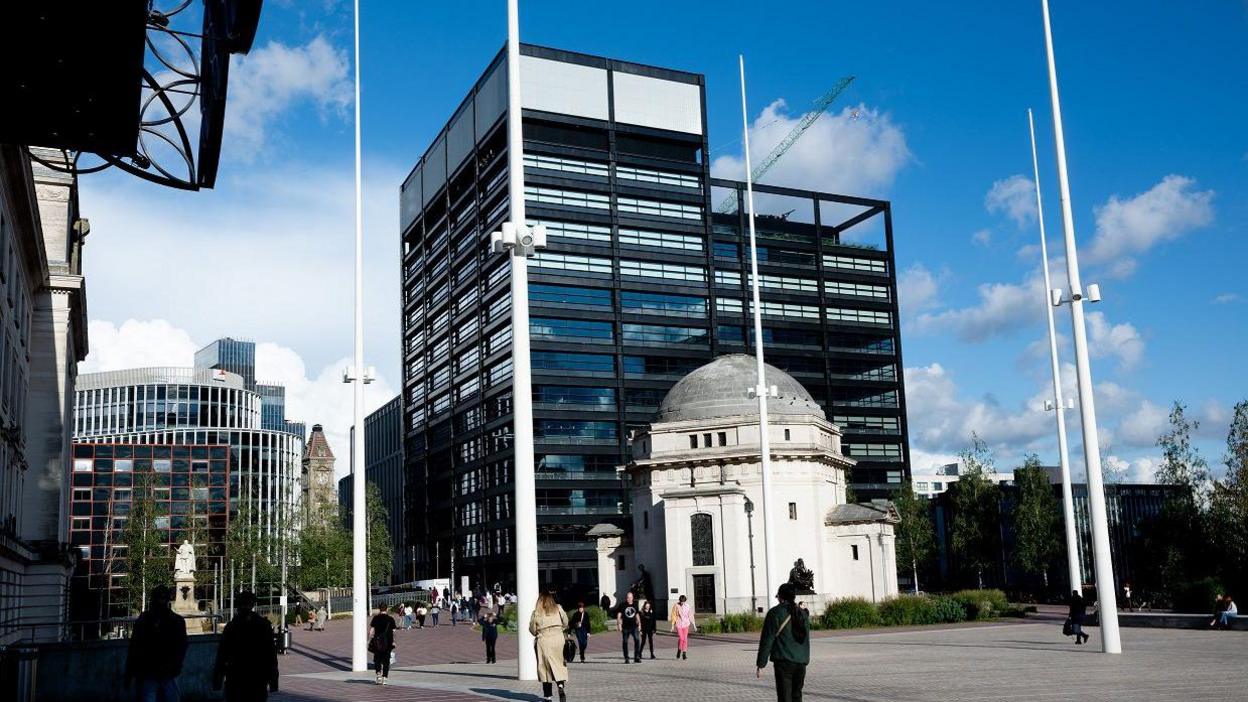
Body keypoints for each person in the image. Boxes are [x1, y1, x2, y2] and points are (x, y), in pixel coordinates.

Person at [124, 584, 189, 702]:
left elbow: (134, 648)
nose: (161, 601)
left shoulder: (146, 619)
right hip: (157, 672)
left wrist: (129, 674)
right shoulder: (176, 620)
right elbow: (182, 647)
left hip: (156, 672)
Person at [212, 591, 279, 701]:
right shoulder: (263, 625)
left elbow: (222, 654)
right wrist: (273, 680)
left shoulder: (232, 626)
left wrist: (217, 679)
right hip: (256, 676)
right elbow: (271, 655)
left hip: (238, 676)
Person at [755, 583, 810, 702]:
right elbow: (806, 639)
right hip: (801, 663)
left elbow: (767, 640)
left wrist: (761, 664)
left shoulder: (775, 613)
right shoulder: (803, 614)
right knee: (797, 697)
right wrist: (805, 659)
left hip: (784, 663)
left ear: (780, 597)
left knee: (785, 698)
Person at [528, 590, 570, 702]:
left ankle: (548, 696)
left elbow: (532, 629)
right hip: (558, 639)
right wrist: (561, 629)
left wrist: (538, 633)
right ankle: (560, 686)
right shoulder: (558, 608)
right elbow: (566, 621)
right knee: (559, 665)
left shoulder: (537, 612)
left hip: (544, 640)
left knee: (545, 669)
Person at [368, 604, 397, 685]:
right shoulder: (390, 619)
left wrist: (369, 640)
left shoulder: (375, 618)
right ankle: (385, 678)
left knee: (377, 659)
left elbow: (371, 631)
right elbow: (394, 631)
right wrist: (394, 641)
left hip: (377, 642)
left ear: (379, 609)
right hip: (388, 642)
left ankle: (378, 675)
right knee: (386, 661)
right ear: (386, 609)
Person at [616, 591, 642, 663]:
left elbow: (637, 615)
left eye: (630, 597)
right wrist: (619, 624)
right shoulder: (622, 605)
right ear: (626, 598)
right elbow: (619, 615)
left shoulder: (635, 605)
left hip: (634, 626)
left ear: (632, 598)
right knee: (625, 642)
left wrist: (639, 624)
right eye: (628, 597)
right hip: (625, 627)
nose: (629, 599)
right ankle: (626, 658)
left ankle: (636, 656)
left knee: (637, 640)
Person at [669, 594, 696, 660]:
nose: (682, 603)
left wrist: (694, 625)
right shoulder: (676, 606)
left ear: (685, 601)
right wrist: (672, 626)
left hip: (686, 624)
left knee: (685, 639)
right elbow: (673, 616)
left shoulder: (687, 606)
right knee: (681, 638)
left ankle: (684, 653)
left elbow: (691, 615)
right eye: (681, 601)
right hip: (679, 624)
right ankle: (679, 650)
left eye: (683, 601)